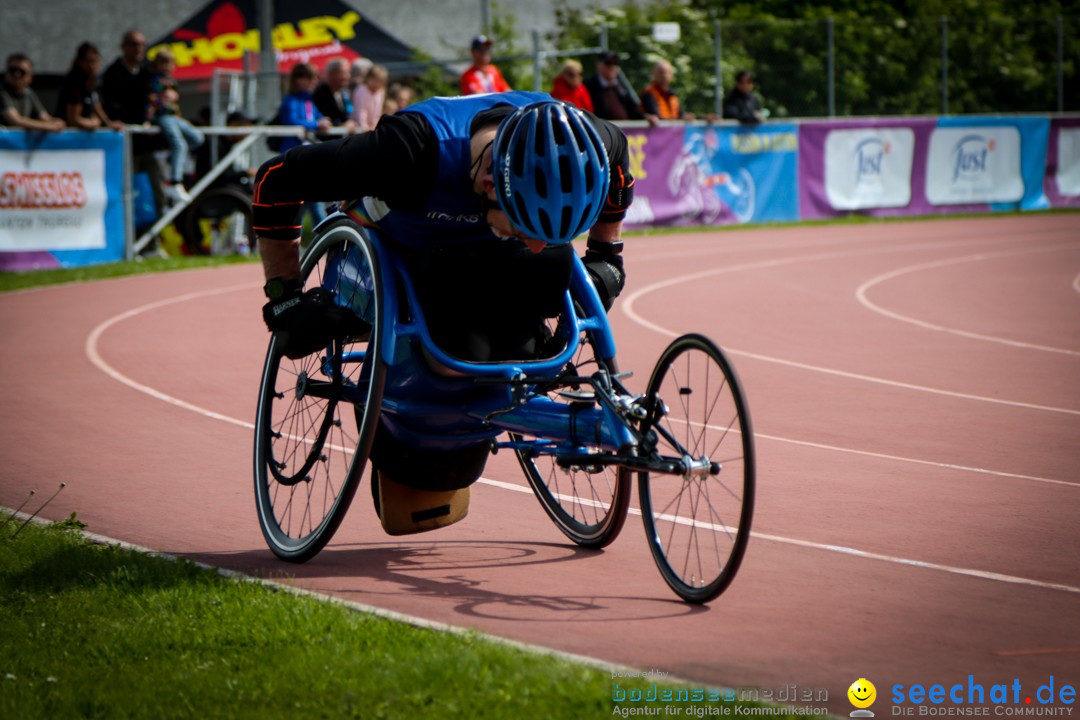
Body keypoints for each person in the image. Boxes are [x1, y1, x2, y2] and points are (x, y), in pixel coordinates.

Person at [252, 93, 633, 533]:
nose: (535, 241)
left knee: (548, 279)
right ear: (490, 182)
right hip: (409, 247)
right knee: (454, 360)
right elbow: (275, 181)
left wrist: (607, 254)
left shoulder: (582, 140)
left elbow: (618, 159)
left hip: (489, 251)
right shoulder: (405, 152)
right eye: (528, 228)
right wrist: (284, 297)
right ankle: (410, 435)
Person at [147, 48, 204, 202]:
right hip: (163, 117)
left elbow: (174, 105)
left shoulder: (172, 81)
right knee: (179, 144)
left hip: (174, 117)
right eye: (163, 63)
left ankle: (173, 158)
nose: (166, 66)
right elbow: (152, 102)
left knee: (197, 137)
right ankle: (175, 183)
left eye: (169, 63)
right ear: (156, 64)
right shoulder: (156, 81)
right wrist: (148, 119)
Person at [55, 43, 124, 131]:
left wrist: (108, 123)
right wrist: (94, 123)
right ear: (80, 62)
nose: (92, 66)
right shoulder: (74, 84)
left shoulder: (91, 83)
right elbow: (74, 120)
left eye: (95, 61)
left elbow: (96, 104)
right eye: (88, 61)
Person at [274, 63, 333, 153]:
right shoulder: (290, 100)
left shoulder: (308, 100)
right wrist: (317, 125)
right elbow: (291, 121)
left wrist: (324, 121)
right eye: (310, 77)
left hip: (306, 150)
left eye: (316, 77)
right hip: (291, 152)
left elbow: (317, 117)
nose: (315, 81)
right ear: (298, 80)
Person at [0, 53, 66, 131]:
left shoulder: (28, 92)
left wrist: (56, 122)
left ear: (30, 77)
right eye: (12, 70)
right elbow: (15, 120)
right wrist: (49, 126)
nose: (16, 75)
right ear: (6, 73)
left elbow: (44, 117)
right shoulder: (2, 91)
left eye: (22, 72)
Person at [584, 51, 642, 121]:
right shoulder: (589, 87)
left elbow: (632, 110)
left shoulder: (620, 87)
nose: (612, 67)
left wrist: (646, 116)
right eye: (608, 63)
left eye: (616, 63)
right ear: (598, 64)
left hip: (625, 130)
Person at [640, 59, 694, 126]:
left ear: (671, 75)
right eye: (661, 72)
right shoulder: (649, 92)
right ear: (654, 74)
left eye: (666, 72)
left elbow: (680, 115)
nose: (664, 75)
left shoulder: (672, 96)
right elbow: (647, 114)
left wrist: (688, 117)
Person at [312, 57, 356, 132]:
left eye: (348, 72)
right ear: (331, 74)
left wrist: (349, 122)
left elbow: (345, 115)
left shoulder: (342, 93)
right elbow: (325, 118)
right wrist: (341, 124)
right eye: (342, 73)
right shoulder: (321, 93)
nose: (347, 76)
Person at [350, 64, 388, 132]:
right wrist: (364, 126)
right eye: (375, 80)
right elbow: (361, 110)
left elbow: (378, 111)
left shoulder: (381, 91)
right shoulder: (361, 90)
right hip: (358, 127)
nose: (377, 84)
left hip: (372, 127)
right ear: (368, 78)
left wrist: (375, 125)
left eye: (380, 81)